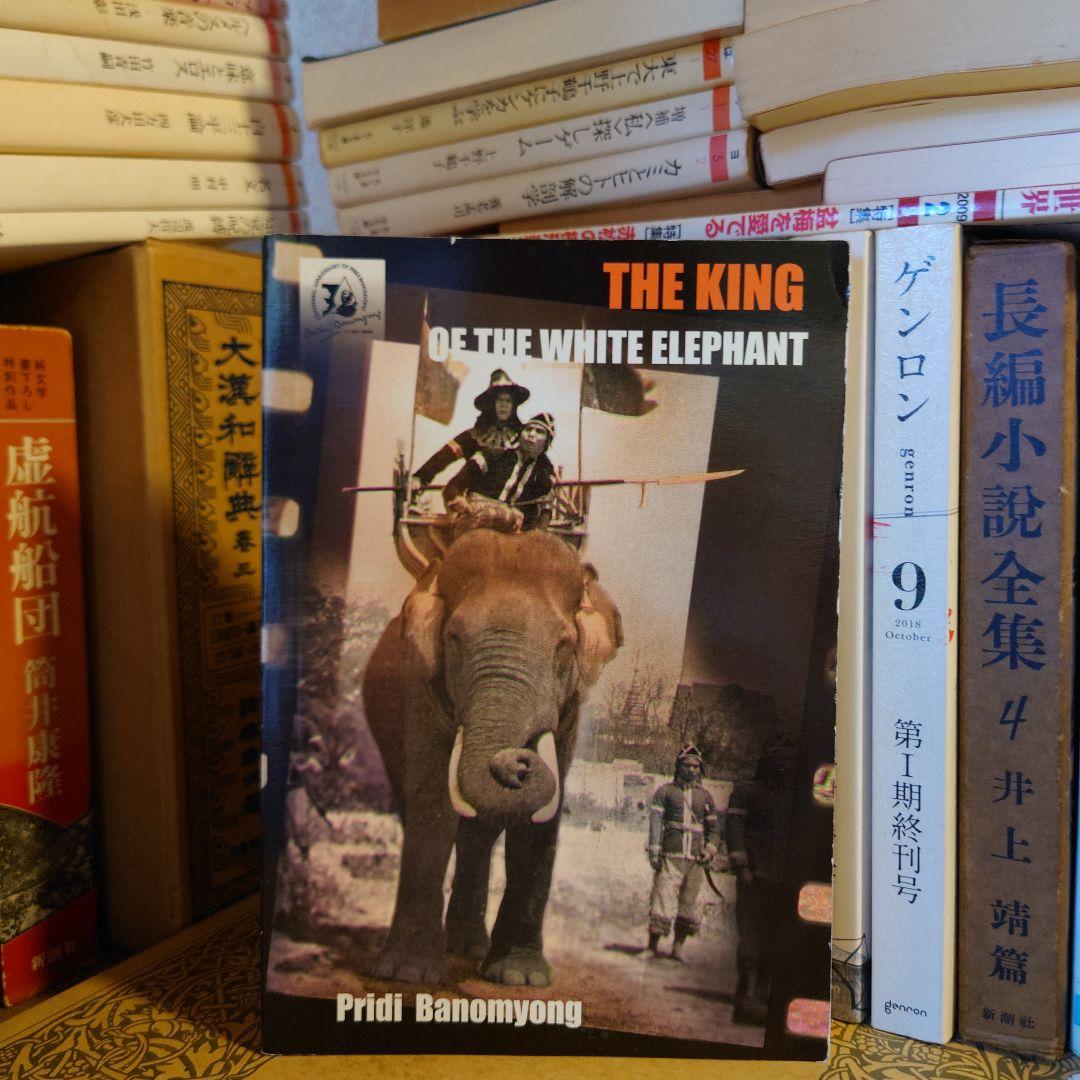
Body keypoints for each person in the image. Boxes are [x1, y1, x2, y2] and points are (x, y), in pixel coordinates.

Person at [725, 734, 798, 1024]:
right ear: (767, 763)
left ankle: (765, 994)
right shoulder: (746, 792)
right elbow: (734, 831)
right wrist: (742, 867)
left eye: (790, 762)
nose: (785, 767)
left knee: (776, 938)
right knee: (751, 936)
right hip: (754, 878)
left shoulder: (793, 799)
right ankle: (745, 993)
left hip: (783, 883)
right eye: (779, 761)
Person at [645, 745, 720, 961]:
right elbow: (656, 823)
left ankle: (677, 948)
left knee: (690, 903)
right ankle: (652, 947)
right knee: (663, 898)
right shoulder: (665, 792)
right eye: (687, 765)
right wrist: (654, 851)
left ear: (700, 769)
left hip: (696, 859)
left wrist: (710, 850)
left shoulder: (705, 797)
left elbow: (714, 830)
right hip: (671, 856)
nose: (691, 770)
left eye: (696, 766)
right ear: (679, 767)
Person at [412, 369, 529, 491]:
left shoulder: (524, 435)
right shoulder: (474, 436)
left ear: (513, 405)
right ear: (491, 404)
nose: (503, 405)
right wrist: (419, 477)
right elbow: (443, 457)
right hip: (475, 497)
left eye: (508, 401)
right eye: (499, 400)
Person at [443, 412, 557, 531]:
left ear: (547, 442)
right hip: (476, 520)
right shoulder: (494, 454)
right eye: (528, 429)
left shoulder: (545, 470)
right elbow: (453, 486)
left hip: (513, 530)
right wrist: (459, 502)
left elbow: (545, 509)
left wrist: (537, 532)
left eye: (539, 431)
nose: (531, 434)